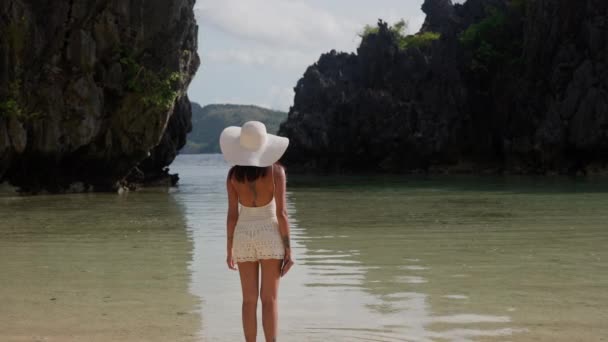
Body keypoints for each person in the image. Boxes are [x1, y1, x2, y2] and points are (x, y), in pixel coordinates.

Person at [219, 121, 294, 342]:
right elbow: (281, 214)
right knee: (269, 299)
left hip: (243, 236)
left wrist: (229, 249)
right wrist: (289, 251)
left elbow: (232, 215)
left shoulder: (233, 176)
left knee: (248, 300)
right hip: (269, 235)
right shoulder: (276, 172)